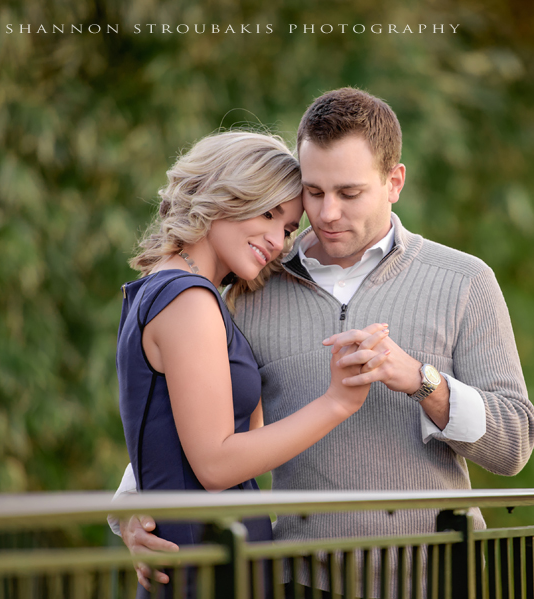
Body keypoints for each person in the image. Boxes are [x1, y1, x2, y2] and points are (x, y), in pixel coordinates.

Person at [114, 89, 534, 592]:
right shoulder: (251, 285)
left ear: (394, 182)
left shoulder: (464, 281)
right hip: (299, 582)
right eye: (313, 193)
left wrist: (423, 382)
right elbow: (193, 408)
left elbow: (514, 445)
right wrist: (131, 512)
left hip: (436, 581)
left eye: (349, 193)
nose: (328, 213)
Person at [115, 130, 391, 595]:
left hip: (218, 557)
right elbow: (216, 464)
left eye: (286, 229)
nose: (277, 241)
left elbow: (180, 433)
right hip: (204, 563)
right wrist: (338, 403)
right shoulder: (188, 299)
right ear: (222, 194)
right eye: (267, 213)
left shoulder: (166, 289)